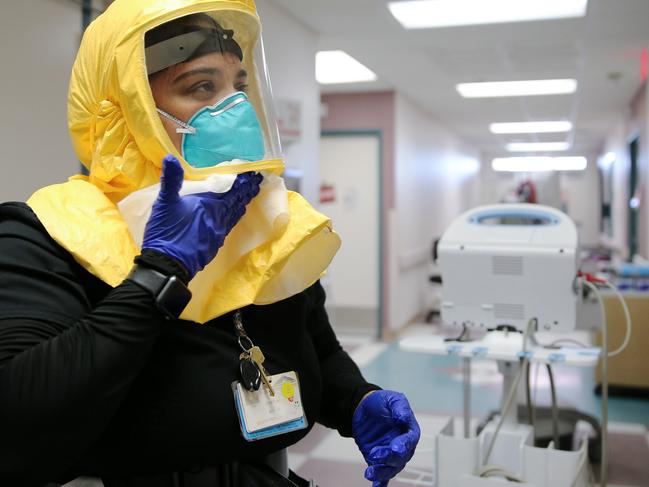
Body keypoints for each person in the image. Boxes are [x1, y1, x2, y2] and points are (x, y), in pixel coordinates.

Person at [0, 1, 420, 486]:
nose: (235, 109)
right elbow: (16, 423)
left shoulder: (264, 224)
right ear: (123, 109)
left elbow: (315, 347)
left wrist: (355, 399)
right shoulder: (48, 235)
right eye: (201, 87)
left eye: (238, 86)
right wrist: (157, 274)